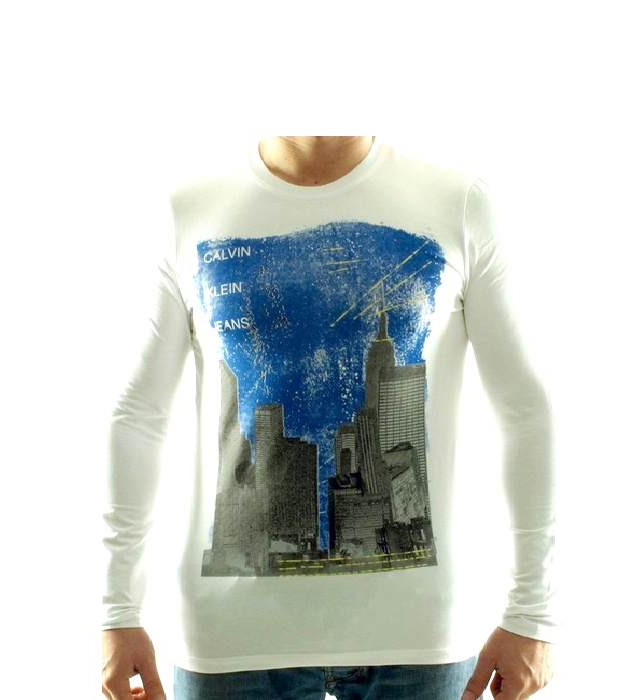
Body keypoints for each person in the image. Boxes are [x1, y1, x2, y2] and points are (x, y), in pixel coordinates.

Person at [101, 136, 557, 700]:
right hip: (231, 638)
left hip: (419, 638)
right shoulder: (188, 209)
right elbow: (138, 415)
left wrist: (533, 614)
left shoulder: (458, 202)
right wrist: (117, 610)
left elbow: (525, 410)